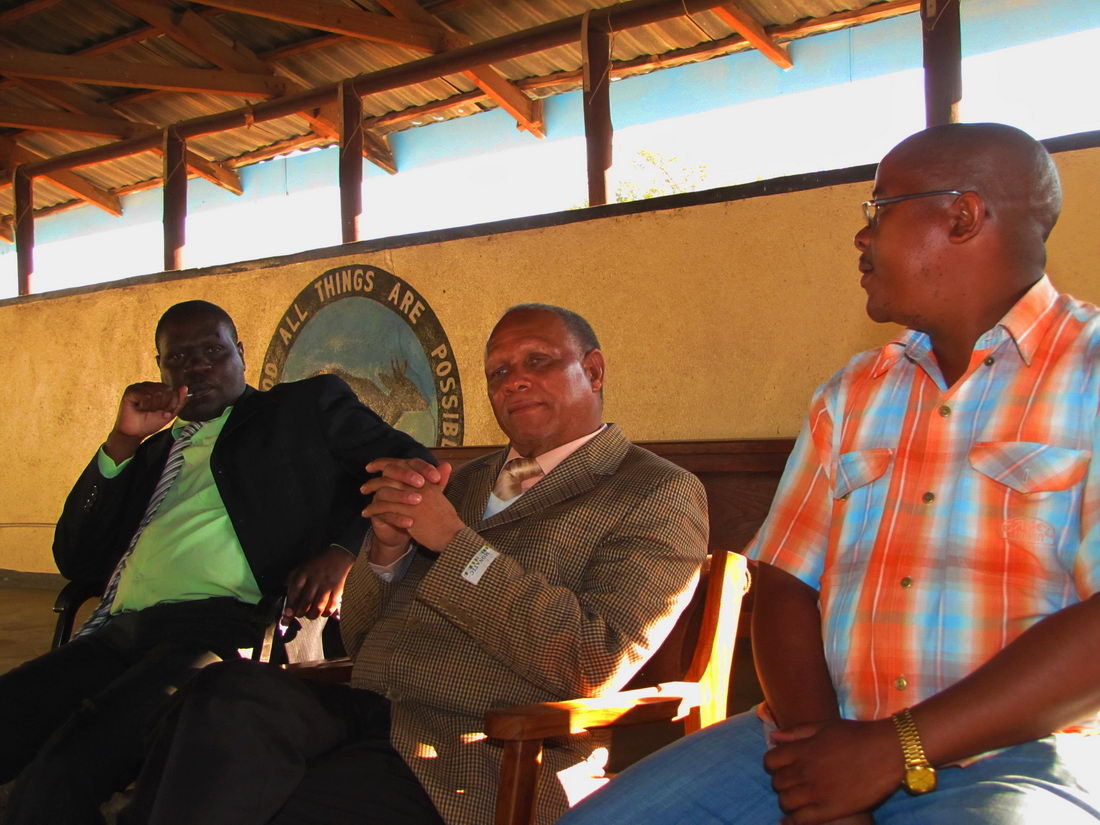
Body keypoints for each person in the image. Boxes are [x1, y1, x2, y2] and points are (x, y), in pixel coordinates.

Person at [559, 123, 1100, 825]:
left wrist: (892, 749)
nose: (861, 236)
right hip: (812, 733)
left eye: (880, 209)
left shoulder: (1089, 373)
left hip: (1022, 755)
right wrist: (821, 759)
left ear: (962, 216)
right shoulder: (853, 392)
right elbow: (785, 581)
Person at [117, 303, 709, 825]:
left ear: (594, 371)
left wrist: (454, 544)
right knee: (221, 695)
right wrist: (386, 555)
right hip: (375, 711)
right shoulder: (466, 481)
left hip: (477, 749)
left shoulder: (653, 492)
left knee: (250, 796)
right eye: (498, 372)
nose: (515, 381)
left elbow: (594, 659)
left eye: (538, 361)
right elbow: (363, 638)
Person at [0, 299, 433, 825]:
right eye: (178, 358)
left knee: (63, 769)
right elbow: (77, 558)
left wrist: (346, 552)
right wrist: (123, 441)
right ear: (160, 369)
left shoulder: (301, 409)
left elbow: (413, 466)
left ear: (240, 353)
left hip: (223, 632)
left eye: (212, 351)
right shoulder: (152, 454)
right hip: (116, 635)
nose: (197, 367)